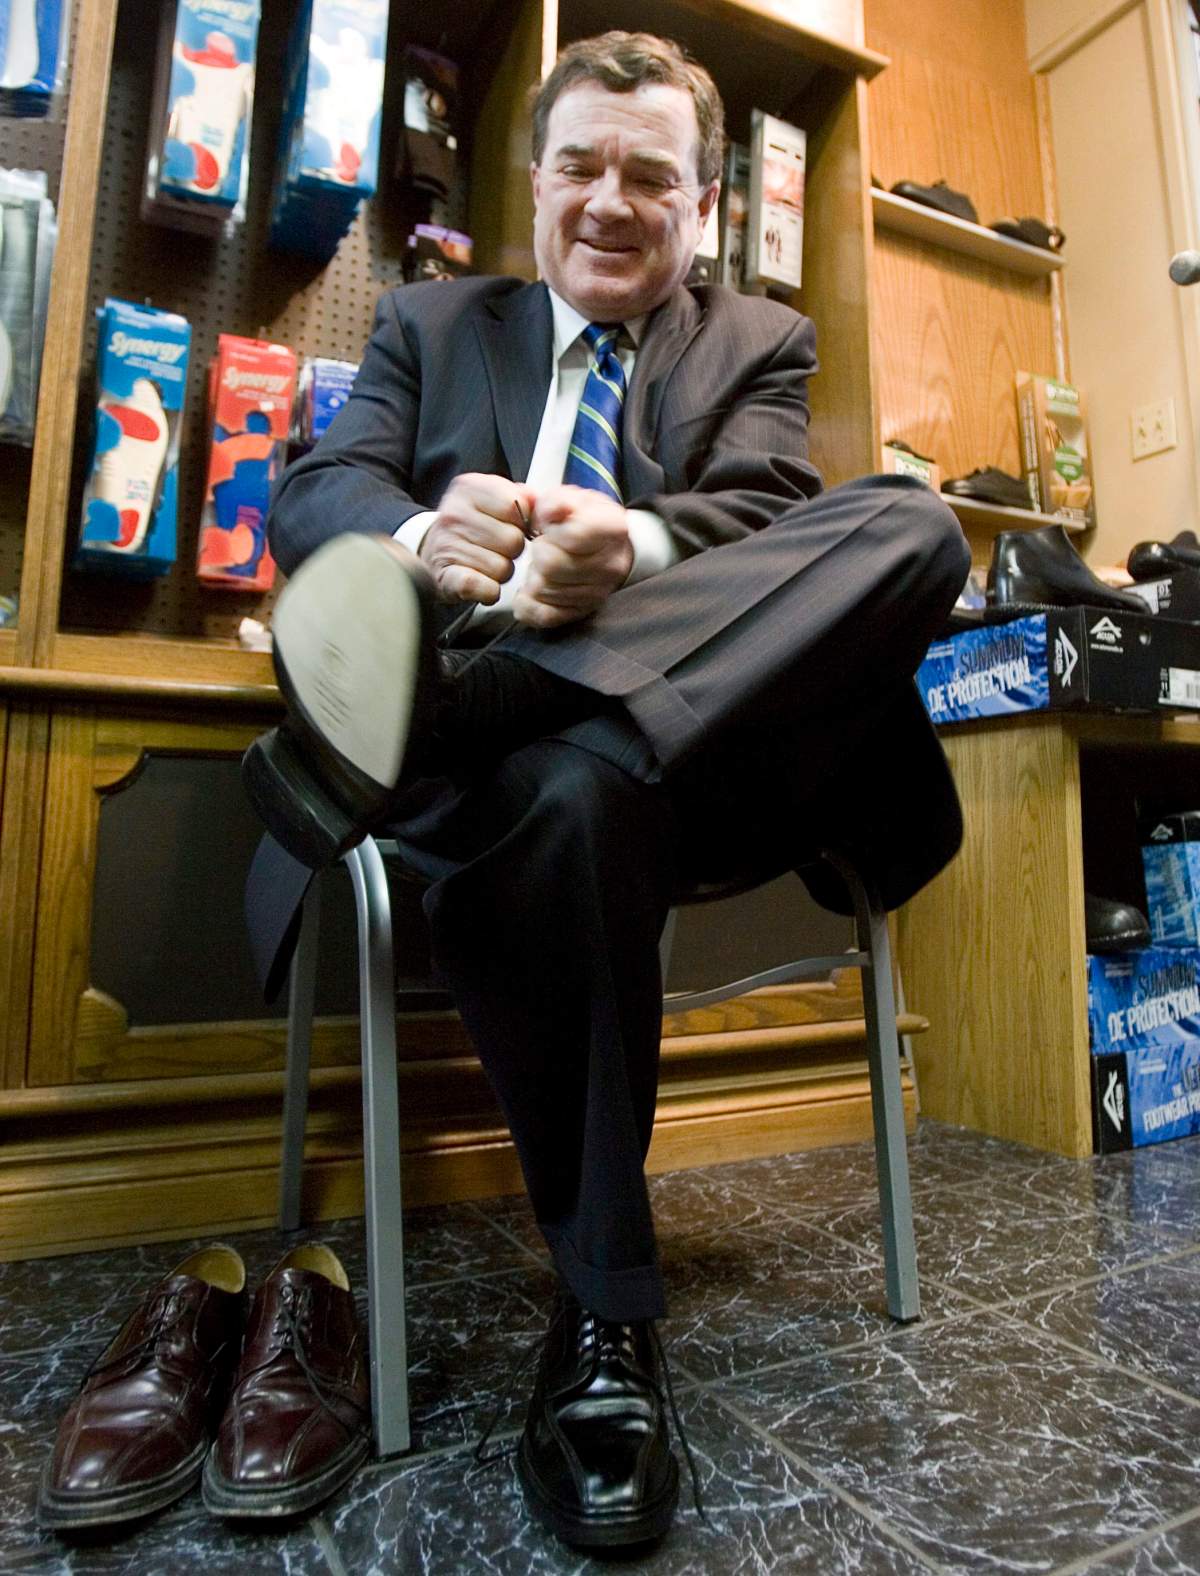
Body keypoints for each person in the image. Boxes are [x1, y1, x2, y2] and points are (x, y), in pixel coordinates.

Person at [244, 30, 970, 1550]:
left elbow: (776, 513)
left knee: (909, 526)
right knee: (576, 793)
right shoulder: (436, 323)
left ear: (702, 203)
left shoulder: (757, 341)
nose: (609, 201)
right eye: (580, 165)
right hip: (531, 804)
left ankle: (473, 701)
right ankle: (603, 1315)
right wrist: (426, 527)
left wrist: (631, 555)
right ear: (537, 182)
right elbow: (313, 489)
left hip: (697, 759)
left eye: (651, 174)